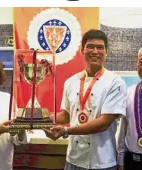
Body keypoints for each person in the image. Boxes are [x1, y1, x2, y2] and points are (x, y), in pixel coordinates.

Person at [43, 29, 127, 170]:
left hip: (102, 161)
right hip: (73, 158)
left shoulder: (115, 83)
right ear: (82, 50)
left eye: (100, 47)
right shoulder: (71, 82)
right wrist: (42, 118)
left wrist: (66, 131)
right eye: (90, 46)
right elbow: (66, 115)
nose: (95, 51)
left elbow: (103, 123)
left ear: (106, 52)